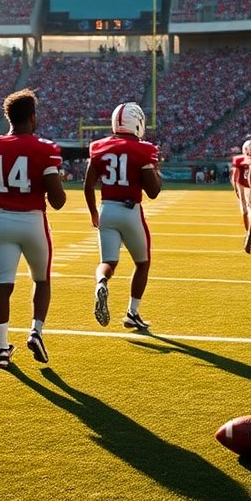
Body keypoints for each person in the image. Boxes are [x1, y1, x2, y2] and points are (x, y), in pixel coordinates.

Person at [0, 89, 66, 368]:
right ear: (32, 117)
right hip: (33, 222)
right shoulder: (44, 148)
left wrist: (1, 204)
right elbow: (58, 201)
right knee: (41, 280)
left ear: (8, 117)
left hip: (3, 222)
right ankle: (36, 331)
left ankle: (1, 349)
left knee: (2, 286)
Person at [85, 102, 162, 330]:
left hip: (107, 209)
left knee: (108, 262)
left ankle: (101, 281)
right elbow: (153, 192)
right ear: (137, 122)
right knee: (142, 263)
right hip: (130, 211)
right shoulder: (143, 149)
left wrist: (93, 213)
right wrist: (156, 172)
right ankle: (132, 312)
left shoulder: (99, 147)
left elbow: (88, 184)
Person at [231, 139, 251, 235]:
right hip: (242, 184)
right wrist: (236, 189)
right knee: (245, 211)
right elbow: (235, 176)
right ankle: (248, 231)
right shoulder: (240, 159)